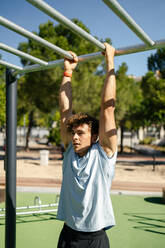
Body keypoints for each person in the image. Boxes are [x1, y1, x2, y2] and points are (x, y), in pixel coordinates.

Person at [57, 43, 117, 248]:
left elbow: (108, 109)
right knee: (65, 116)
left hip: (94, 240)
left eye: (80, 133)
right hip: (68, 235)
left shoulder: (103, 154)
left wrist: (110, 61)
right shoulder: (69, 152)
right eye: (74, 133)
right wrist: (67, 72)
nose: (74, 137)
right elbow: (65, 111)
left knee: (106, 112)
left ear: (94, 137)